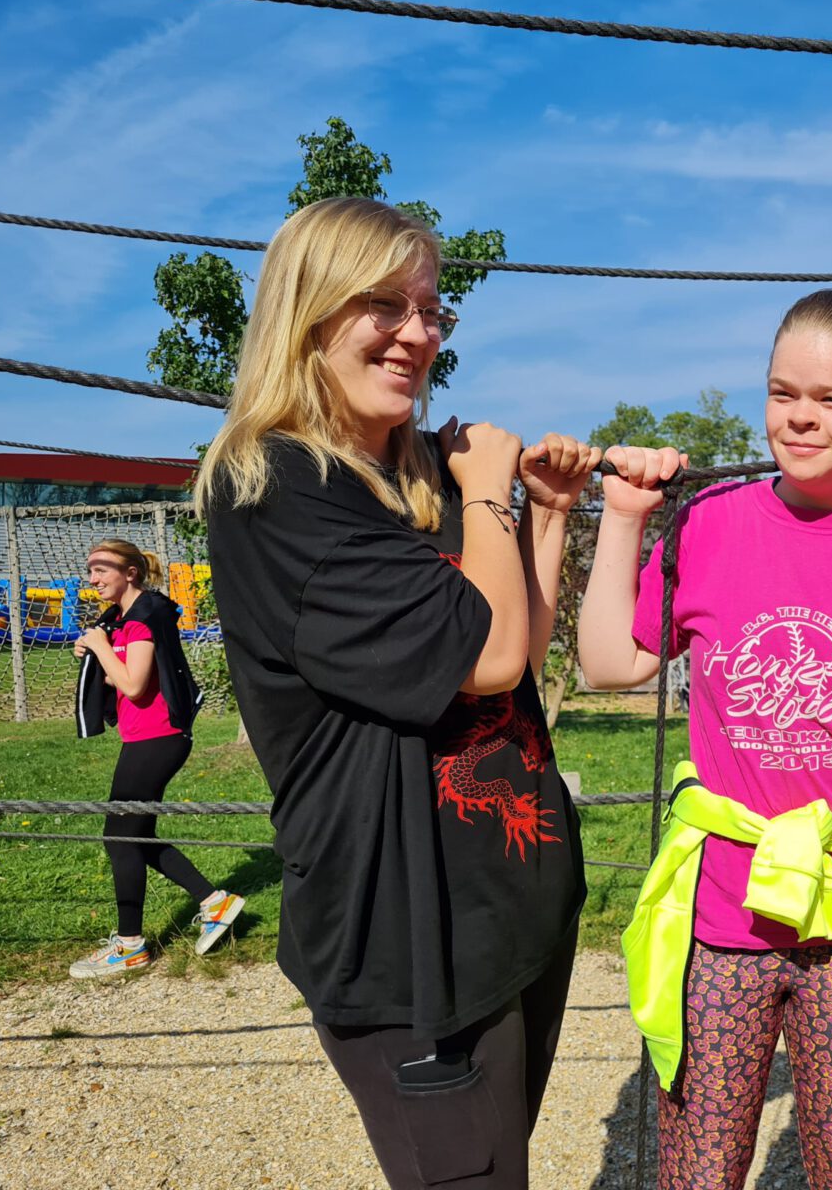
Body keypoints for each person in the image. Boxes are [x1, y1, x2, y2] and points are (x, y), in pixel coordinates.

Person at [197, 197, 598, 1190]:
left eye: (433, 311)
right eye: (387, 303)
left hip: (508, 915)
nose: (419, 334)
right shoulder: (276, 490)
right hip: (408, 952)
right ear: (310, 309)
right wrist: (490, 489)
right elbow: (493, 655)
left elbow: (517, 646)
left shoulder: (409, 474)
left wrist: (541, 515)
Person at [579, 289, 832, 1189]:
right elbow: (610, 662)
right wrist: (626, 517)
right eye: (782, 391)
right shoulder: (711, 521)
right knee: (698, 1167)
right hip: (723, 913)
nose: (800, 416)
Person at [69, 539, 242, 977]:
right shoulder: (124, 620)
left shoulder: (144, 617)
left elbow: (132, 684)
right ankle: (213, 901)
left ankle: (130, 946)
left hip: (159, 737)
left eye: (102, 570)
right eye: (90, 570)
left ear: (130, 573)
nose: (93, 579)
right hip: (145, 736)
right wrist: (95, 654)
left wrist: (103, 648)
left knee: (121, 837)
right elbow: (125, 681)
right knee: (134, 835)